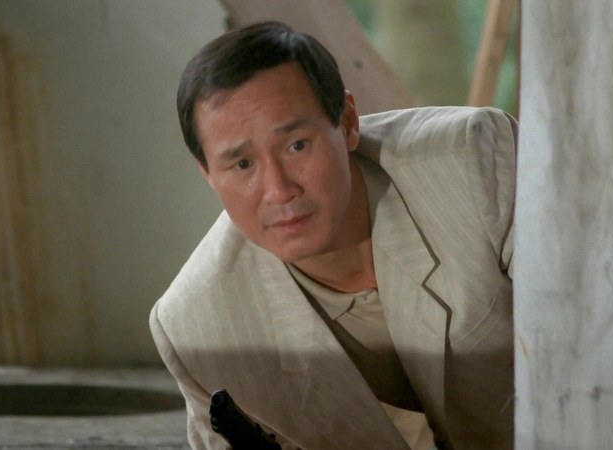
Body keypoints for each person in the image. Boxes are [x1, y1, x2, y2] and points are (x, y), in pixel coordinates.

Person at [150, 21, 517, 450]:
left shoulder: (473, 163)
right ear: (208, 174)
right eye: (243, 165)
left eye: (297, 146)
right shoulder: (196, 327)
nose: (279, 190)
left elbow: (585, 336)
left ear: (347, 122)